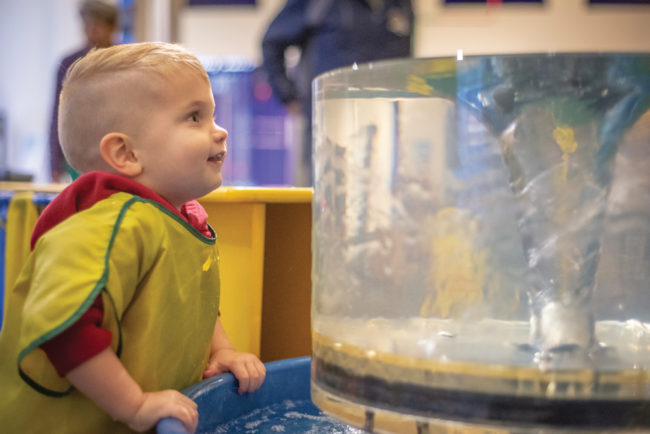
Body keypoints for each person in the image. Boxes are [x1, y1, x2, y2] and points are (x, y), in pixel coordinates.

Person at [0, 42, 266, 433]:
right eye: (194, 117)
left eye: (211, 114)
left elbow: (193, 300)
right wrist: (135, 404)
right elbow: (64, 329)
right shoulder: (108, 226)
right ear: (125, 153)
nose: (220, 130)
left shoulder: (178, 217)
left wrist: (221, 350)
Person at [261, 0, 414, 185]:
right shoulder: (319, 4)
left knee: (384, 197)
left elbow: (406, 62)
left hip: (384, 129)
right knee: (327, 197)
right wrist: (288, 95)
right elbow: (271, 43)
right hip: (330, 131)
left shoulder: (402, 5)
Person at [49, 0, 119, 182]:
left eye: (97, 25)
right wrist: (54, 163)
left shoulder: (124, 63)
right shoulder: (69, 63)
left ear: (112, 27)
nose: (91, 30)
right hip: (77, 152)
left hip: (116, 149)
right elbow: (57, 112)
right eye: (86, 24)